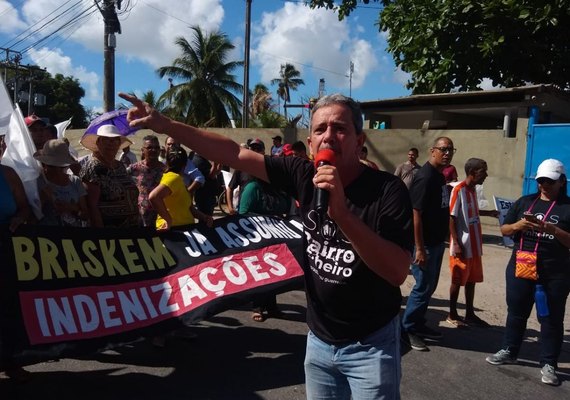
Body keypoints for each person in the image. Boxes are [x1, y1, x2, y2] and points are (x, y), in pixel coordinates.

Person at [120, 91, 413, 399]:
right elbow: (232, 152)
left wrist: (341, 215)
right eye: (320, 129)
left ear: (359, 139)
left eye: (340, 128)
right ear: (311, 144)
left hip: (370, 345)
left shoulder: (387, 191)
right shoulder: (303, 174)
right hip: (320, 342)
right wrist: (166, 125)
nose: (329, 136)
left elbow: (396, 271)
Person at [486, 159, 570, 386]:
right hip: (521, 267)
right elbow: (505, 229)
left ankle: (549, 363)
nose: (544, 185)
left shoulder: (567, 207)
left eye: (550, 182)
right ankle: (509, 349)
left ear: (562, 182)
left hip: (555, 273)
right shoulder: (525, 202)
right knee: (516, 312)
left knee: (551, 319)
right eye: (541, 181)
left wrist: (552, 229)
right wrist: (517, 226)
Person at [401, 137, 455, 352]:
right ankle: (407, 329)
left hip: (436, 242)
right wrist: (419, 248)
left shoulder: (439, 176)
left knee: (429, 286)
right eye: (443, 149)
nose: (447, 153)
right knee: (422, 286)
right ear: (433, 151)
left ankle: (419, 323)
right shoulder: (425, 177)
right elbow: (416, 214)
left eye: (450, 149)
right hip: (425, 245)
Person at [447, 158, 499, 328]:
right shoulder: (459, 189)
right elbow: (452, 216)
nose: (486, 175)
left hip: (475, 245)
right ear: (472, 172)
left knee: (472, 279)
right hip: (462, 244)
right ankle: (452, 313)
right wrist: (455, 242)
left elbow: (471, 211)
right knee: (457, 279)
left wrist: (488, 213)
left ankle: (470, 313)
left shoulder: (473, 191)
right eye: (483, 171)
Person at [0, 163, 32, 382]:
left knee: (7, 307)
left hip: (5, 249)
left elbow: (23, 206)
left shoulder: (8, 174)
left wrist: (21, 217)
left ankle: (9, 361)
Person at [79, 125, 140, 228]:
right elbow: (92, 205)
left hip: (130, 227)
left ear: (119, 144)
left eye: (115, 140)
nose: (111, 144)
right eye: (106, 140)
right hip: (108, 231)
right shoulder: (93, 167)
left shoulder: (120, 165)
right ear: (98, 143)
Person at [34, 139, 88, 227]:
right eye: (52, 166)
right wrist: (43, 200)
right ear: (44, 164)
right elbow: (32, 214)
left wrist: (72, 208)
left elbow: (86, 215)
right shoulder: (38, 182)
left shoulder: (75, 181)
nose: (57, 170)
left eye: (60, 166)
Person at [127, 135, 166, 227]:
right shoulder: (134, 168)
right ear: (142, 150)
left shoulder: (165, 170)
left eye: (156, 147)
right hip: (140, 217)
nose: (154, 150)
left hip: (161, 216)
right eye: (149, 147)